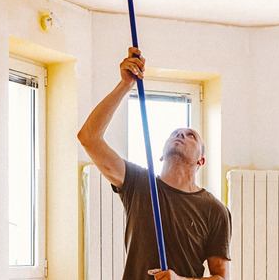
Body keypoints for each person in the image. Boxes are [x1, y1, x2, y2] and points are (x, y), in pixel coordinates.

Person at [78, 47, 231, 280]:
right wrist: (125, 86)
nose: (181, 134)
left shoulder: (214, 210)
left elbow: (222, 277)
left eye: (191, 135)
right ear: (161, 155)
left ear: (201, 160)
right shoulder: (138, 184)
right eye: (175, 133)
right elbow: (89, 138)